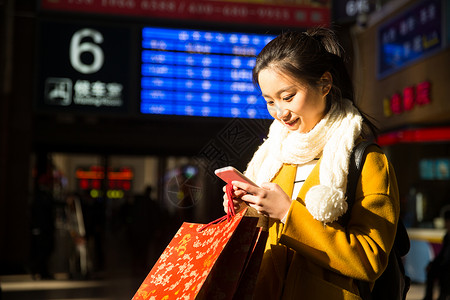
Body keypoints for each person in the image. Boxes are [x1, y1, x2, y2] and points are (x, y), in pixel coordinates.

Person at [222, 27, 400, 299]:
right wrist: (246, 209)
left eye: (288, 96)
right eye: (269, 101)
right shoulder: (275, 156)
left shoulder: (366, 159)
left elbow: (369, 260)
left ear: (325, 84)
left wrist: (287, 213)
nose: (280, 113)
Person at [423, 209, 450, 300]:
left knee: (445, 275)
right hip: (443, 266)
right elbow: (441, 254)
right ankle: (428, 297)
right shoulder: (447, 236)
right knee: (431, 271)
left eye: (446, 222)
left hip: (447, 268)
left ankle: (442, 296)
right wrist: (432, 264)